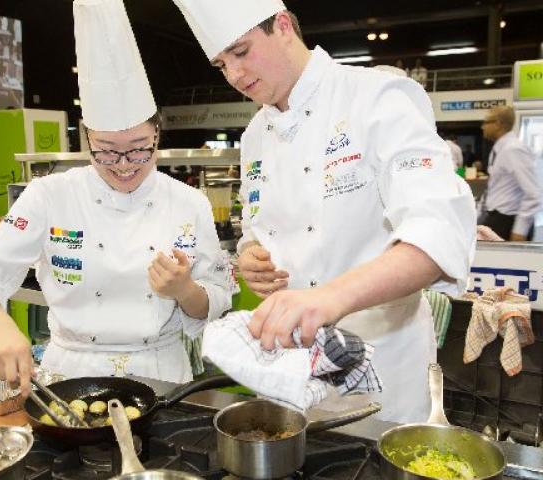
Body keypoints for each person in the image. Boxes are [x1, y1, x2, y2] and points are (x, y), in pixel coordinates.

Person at [174, 0, 476, 422]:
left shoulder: (376, 97)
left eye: (241, 52)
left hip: (382, 360)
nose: (235, 75)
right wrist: (251, 256)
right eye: (222, 65)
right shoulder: (256, 134)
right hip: (293, 365)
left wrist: (330, 297)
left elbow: (440, 230)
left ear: (282, 26)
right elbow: (259, 229)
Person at [0, 0, 231, 396]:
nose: (125, 164)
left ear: (158, 136)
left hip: (161, 374)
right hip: (70, 373)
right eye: (106, 150)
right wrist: (0, 329)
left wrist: (184, 291)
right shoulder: (49, 195)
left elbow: (214, 300)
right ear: (86, 138)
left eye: (140, 148)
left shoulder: (188, 202)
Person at [479, 106, 539, 241]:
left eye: (486, 122)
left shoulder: (513, 149)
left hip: (509, 222)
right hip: (497, 217)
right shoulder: (499, 149)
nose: (482, 127)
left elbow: (533, 194)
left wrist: (520, 231)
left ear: (498, 124)